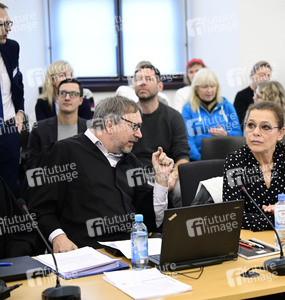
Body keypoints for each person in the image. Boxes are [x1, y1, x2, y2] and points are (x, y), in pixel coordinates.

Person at [28, 96, 174, 252]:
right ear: (110, 124)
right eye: (134, 126)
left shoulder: (131, 162)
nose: (139, 135)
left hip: (131, 251)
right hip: (86, 252)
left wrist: (161, 178)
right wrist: (58, 237)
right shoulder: (64, 152)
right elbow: (40, 209)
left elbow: (152, 221)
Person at [222, 101, 285, 231]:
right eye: (251, 125)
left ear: (280, 133)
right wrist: (281, 218)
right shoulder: (235, 161)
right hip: (253, 239)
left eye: (265, 127)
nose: (256, 132)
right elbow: (232, 216)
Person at [132, 61, 189, 208]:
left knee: (181, 191)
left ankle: (177, 231)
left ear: (160, 86)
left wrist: (172, 178)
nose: (142, 83)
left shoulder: (174, 117)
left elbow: (182, 156)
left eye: (149, 79)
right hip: (136, 173)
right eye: (138, 79)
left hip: (167, 171)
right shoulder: (127, 117)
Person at [182, 68, 242, 161]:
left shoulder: (227, 106)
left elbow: (239, 135)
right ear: (196, 89)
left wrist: (226, 134)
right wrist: (199, 160)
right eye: (204, 87)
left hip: (227, 157)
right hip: (200, 158)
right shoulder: (188, 109)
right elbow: (188, 139)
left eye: (212, 86)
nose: (209, 90)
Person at [27, 78, 87, 170]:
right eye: (63, 93)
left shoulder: (90, 130)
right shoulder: (39, 130)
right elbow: (33, 168)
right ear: (57, 97)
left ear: (80, 100)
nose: (67, 98)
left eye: (73, 94)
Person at [0, 3, 25, 194]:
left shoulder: (11, 47)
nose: (7, 29)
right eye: (2, 24)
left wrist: (20, 111)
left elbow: (17, 82)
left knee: (8, 191)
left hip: (9, 129)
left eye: (9, 23)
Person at [233, 60, 272, 127]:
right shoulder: (241, 96)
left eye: (268, 75)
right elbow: (240, 122)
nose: (266, 78)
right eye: (262, 75)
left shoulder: (272, 94)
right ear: (252, 75)